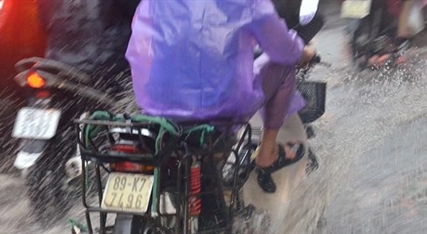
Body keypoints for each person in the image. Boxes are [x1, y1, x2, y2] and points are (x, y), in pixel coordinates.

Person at [125, 0, 317, 193]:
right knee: (283, 64)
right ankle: (267, 153)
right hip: (217, 109)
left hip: (158, 106)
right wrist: (304, 52)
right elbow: (284, 49)